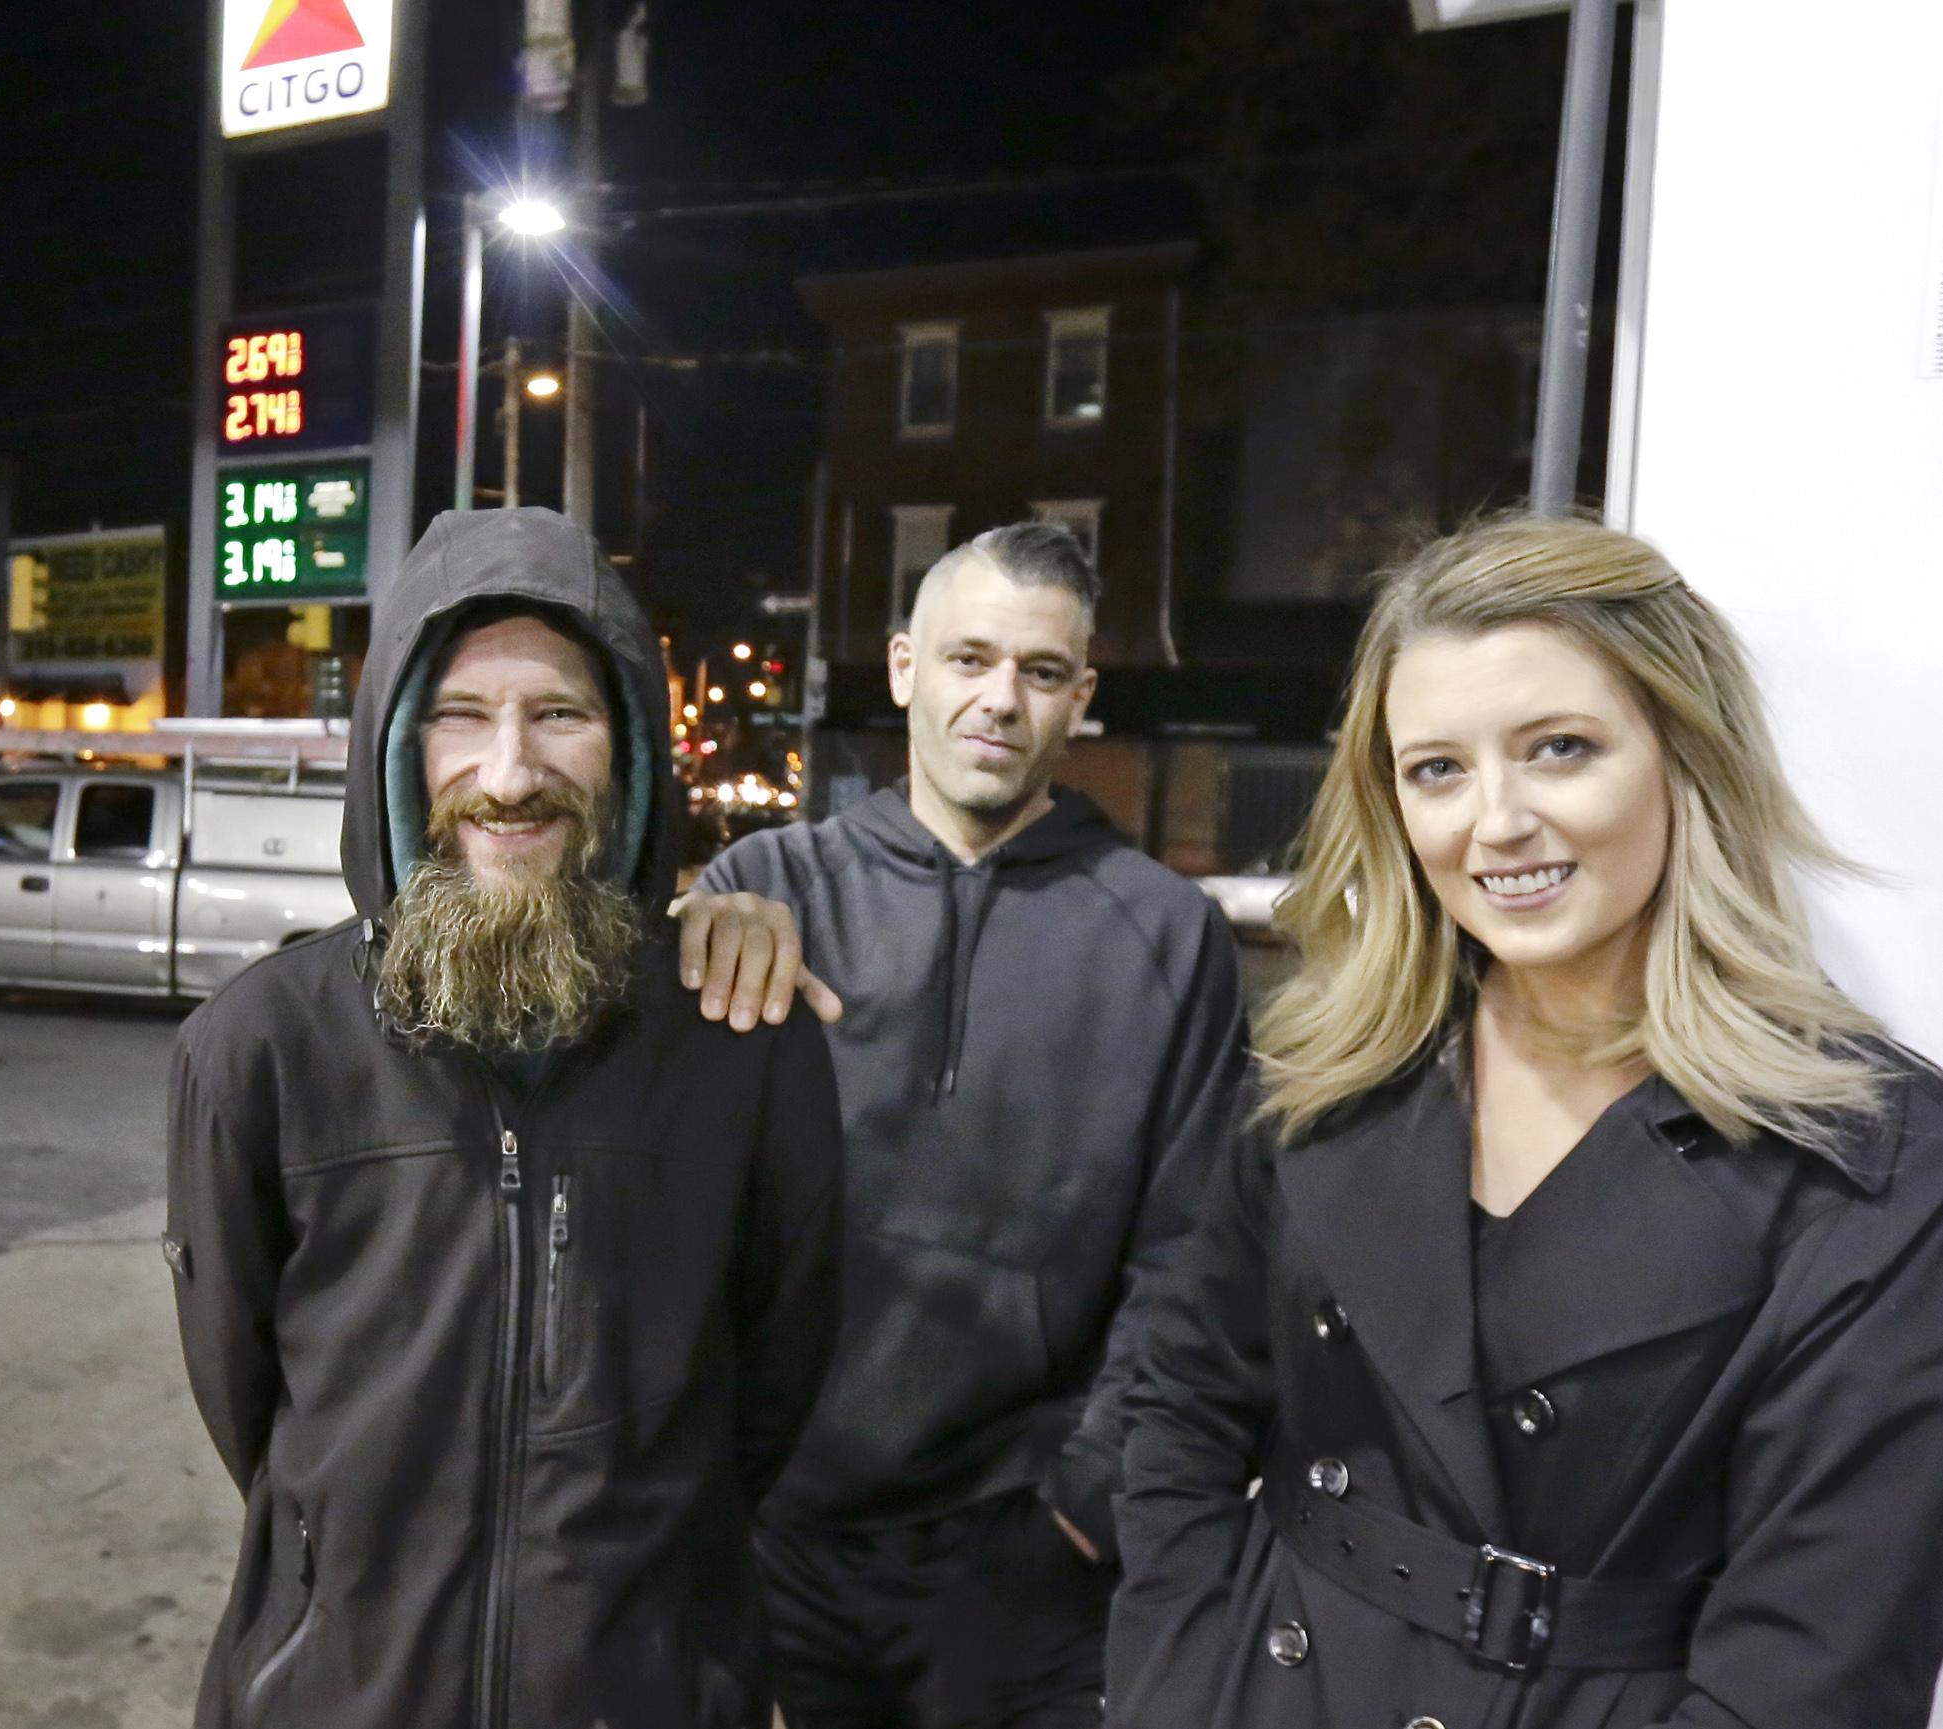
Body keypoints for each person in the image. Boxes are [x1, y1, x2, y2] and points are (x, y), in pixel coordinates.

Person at [1107, 514, 1943, 1729]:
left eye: (1557, 748)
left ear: (1682, 756)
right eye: (1436, 768)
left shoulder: (1872, 1155)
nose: (1492, 822)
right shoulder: (1331, 1063)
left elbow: (1819, 1660)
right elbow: (1179, 1409)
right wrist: (1175, 1691)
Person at [164, 507, 844, 1729]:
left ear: (631, 747)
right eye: (461, 717)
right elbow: (248, 1400)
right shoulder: (258, 1046)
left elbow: (773, 1383)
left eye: (561, 715)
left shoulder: (743, 1045)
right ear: (394, 746)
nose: (511, 773)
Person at [684, 521, 1249, 1727]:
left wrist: (1082, 1504)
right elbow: (658, 1205)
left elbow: (1192, 1251)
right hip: (774, 1530)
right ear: (902, 668)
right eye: (967, 659)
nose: (999, 700)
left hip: (1020, 1553)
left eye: (1040, 672)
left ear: (1080, 698)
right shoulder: (763, 893)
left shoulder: (1164, 932)